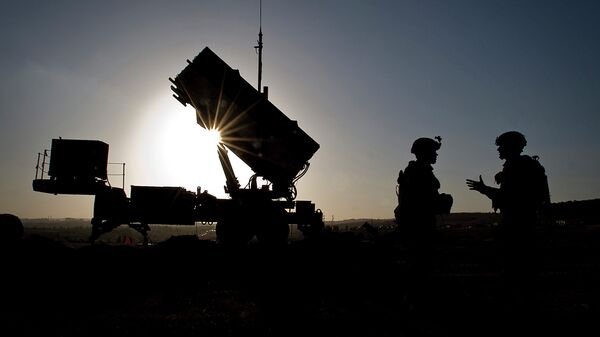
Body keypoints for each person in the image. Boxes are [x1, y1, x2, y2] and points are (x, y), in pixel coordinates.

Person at [466, 131, 550, 309]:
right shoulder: (522, 166)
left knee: (516, 270)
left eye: (501, 146)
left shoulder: (517, 168)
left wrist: (484, 189)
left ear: (510, 147)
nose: (498, 150)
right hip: (524, 223)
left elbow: (509, 198)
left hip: (518, 225)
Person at [394, 136, 453, 310]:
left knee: (419, 266)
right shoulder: (419, 172)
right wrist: (445, 200)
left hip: (418, 226)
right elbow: (422, 202)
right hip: (419, 228)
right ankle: (416, 304)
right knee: (419, 267)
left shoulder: (418, 171)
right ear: (424, 152)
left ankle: (416, 301)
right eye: (433, 151)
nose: (436, 155)